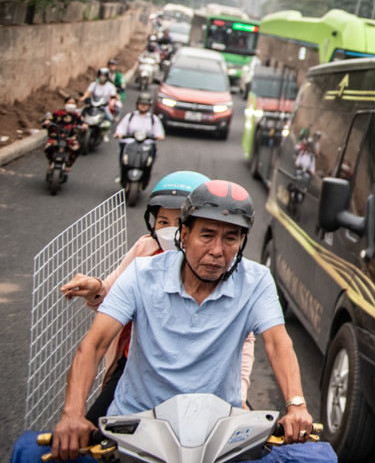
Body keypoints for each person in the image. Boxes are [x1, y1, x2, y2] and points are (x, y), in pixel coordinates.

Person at [50, 180, 313, 460]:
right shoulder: (142, 274)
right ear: (184, 235)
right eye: (207, 235)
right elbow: (94, 344)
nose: (217, 250)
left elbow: (278, 343)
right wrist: (73, 414)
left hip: (219, 431)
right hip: (135, 426)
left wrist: (296, 404)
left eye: (231, 238)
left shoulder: (257, 281)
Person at [57, 171, 256, 420]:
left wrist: (240, 390)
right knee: (93, 435)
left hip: (201, 377)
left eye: (178, 221)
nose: (170, 231)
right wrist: (95, 288)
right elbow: (112, 297)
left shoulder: (223, 269)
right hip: (135, 368)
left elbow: (244, 340)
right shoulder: (144, 251)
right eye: (162, 221)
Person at [112, 92, 165, 181]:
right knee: (123, 151)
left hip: (147, 144)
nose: (143, 106)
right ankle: (122, 173)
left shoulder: (153, 119)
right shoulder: (130, 116)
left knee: (151, 156)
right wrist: (119, 133)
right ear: (137, 104)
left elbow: (159, 133)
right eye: (141, 104)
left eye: (145, 104)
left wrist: (159, 136)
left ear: (149, 106)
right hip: (130, 143)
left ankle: (146, 175)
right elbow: (121, 127)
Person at [41, 96, 83, 179]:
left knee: (76, 149)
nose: (71, 105)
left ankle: (68, 165)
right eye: (69, 103)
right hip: (56, 137)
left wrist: (84, 126)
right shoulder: (57, 113)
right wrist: (47, 122)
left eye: (73, 103)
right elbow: (49, 121)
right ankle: (50, 162)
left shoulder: (77, 116)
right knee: (48, 148)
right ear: (65, 104)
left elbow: (83, 124)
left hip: (69, 139)